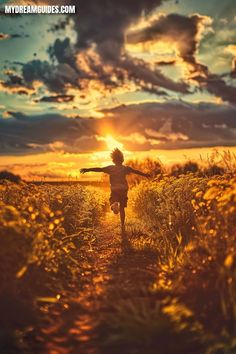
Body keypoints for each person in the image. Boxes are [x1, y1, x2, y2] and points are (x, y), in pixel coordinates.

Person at [80, 148, 150, 235]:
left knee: (112, 200)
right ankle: (122, 224)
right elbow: (135, 171)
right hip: (124, 188)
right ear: (122, 159)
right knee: (122, 208)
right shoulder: (125, 168)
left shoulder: (110, 168)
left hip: (115, 188)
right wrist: (145, 175)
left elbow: (99, 169)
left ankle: (114, 203)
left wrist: (88, 169)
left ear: (113, 160)